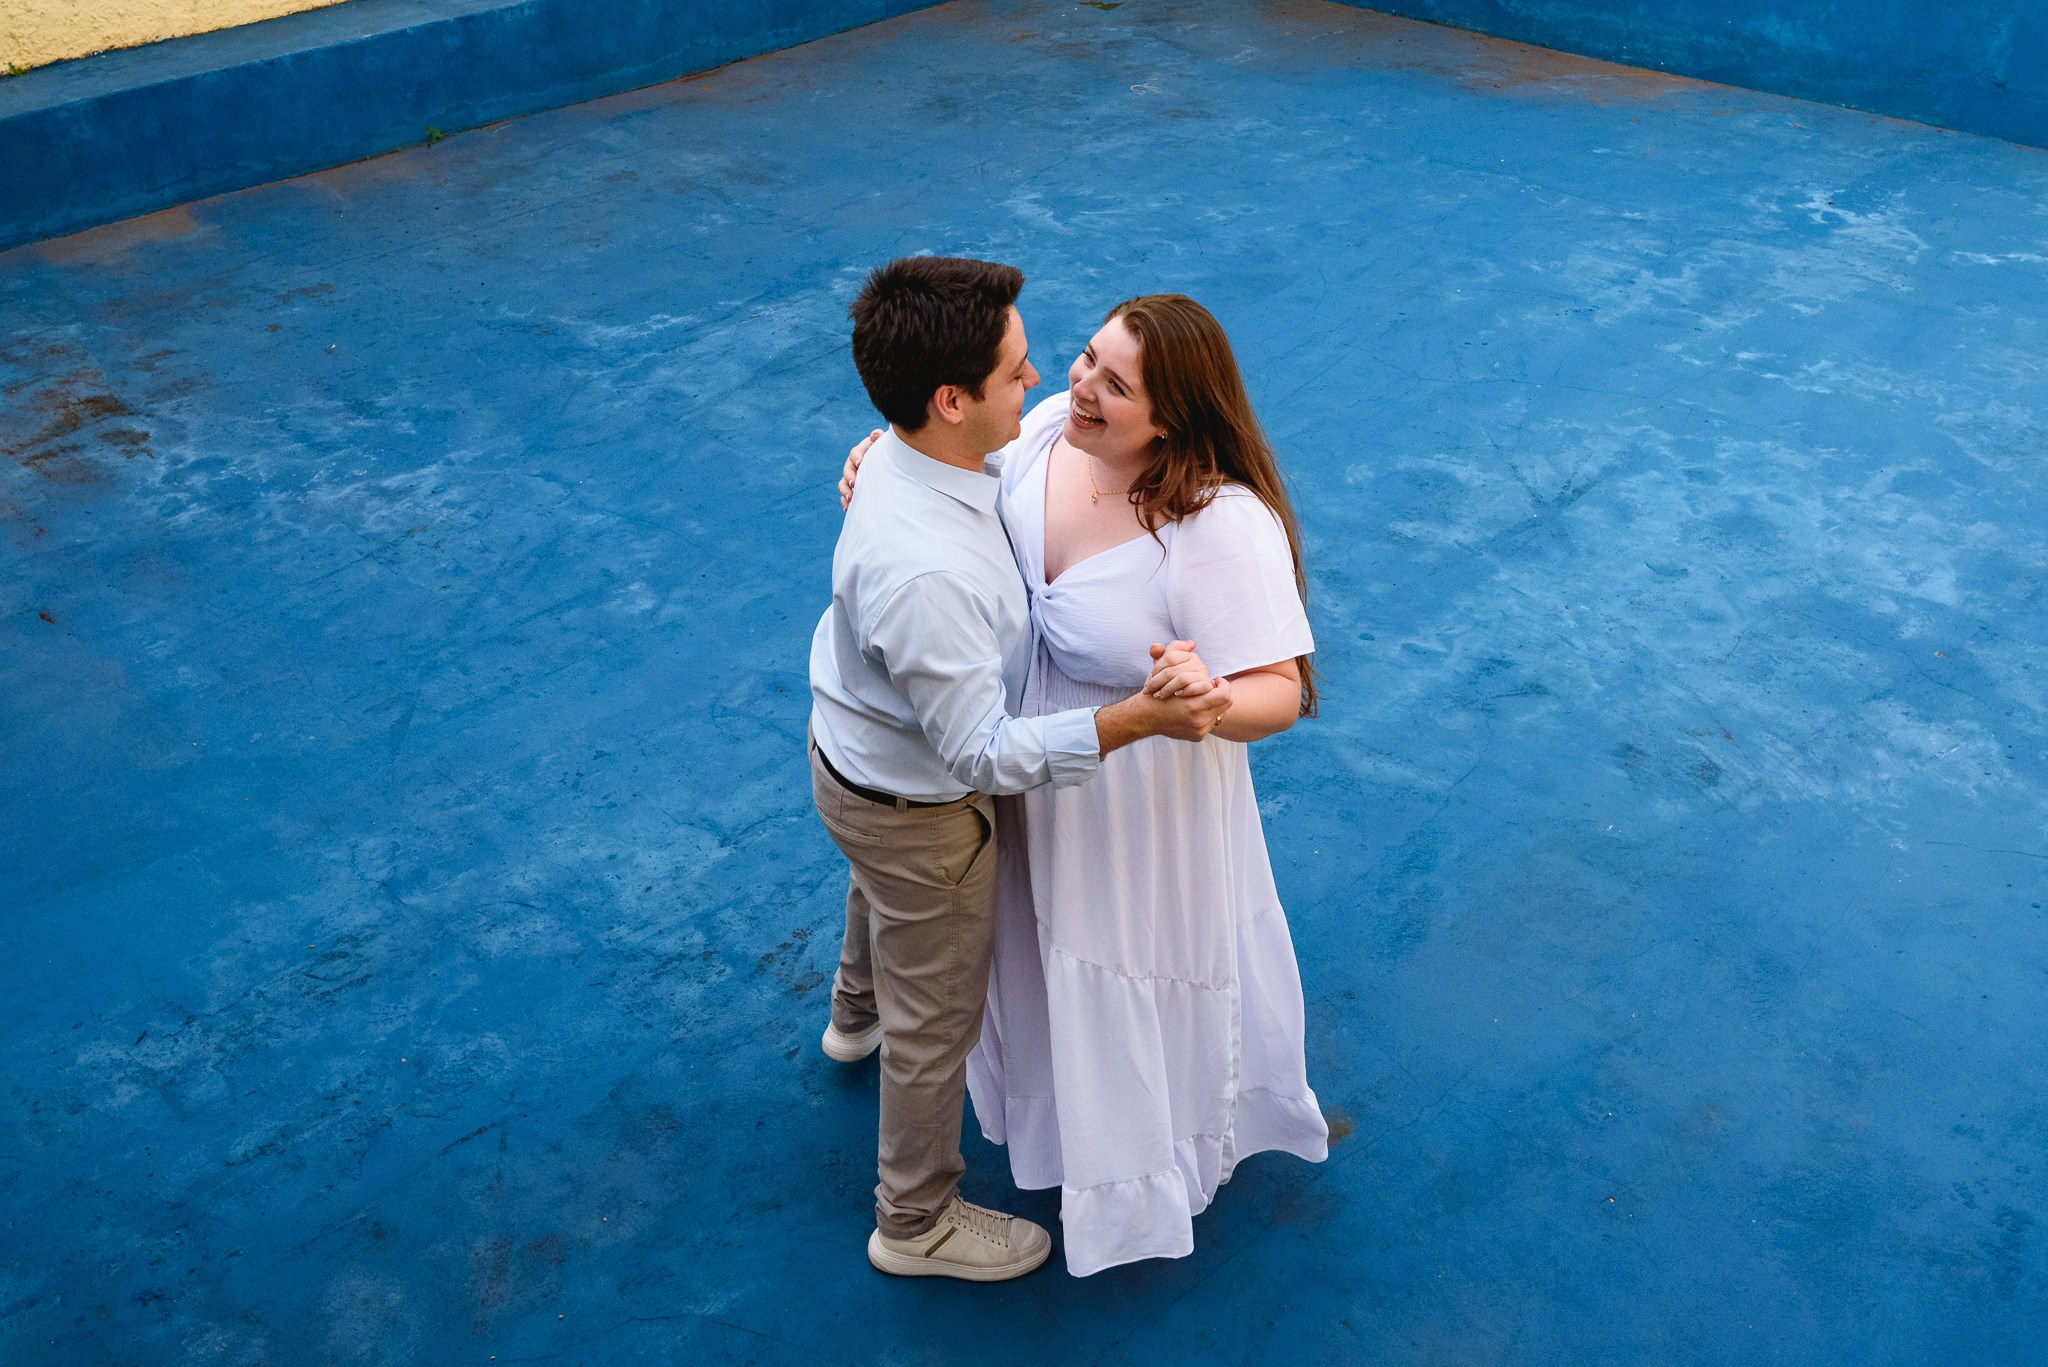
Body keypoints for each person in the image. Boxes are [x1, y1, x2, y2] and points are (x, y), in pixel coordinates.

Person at [842, 292, 1327, 1276]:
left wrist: (1201, 701)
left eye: (1115, 383)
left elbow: (1279, 690)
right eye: (1083, 358)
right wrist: (878, 453)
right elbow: (954, 442)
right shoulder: (1049, 434)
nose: (1076, 385)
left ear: (1175, 417)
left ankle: (1138, 1163)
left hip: (1133, 797)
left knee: (1116, 960)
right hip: (1024, 758)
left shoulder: (1216, 522)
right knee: (1026, 950)